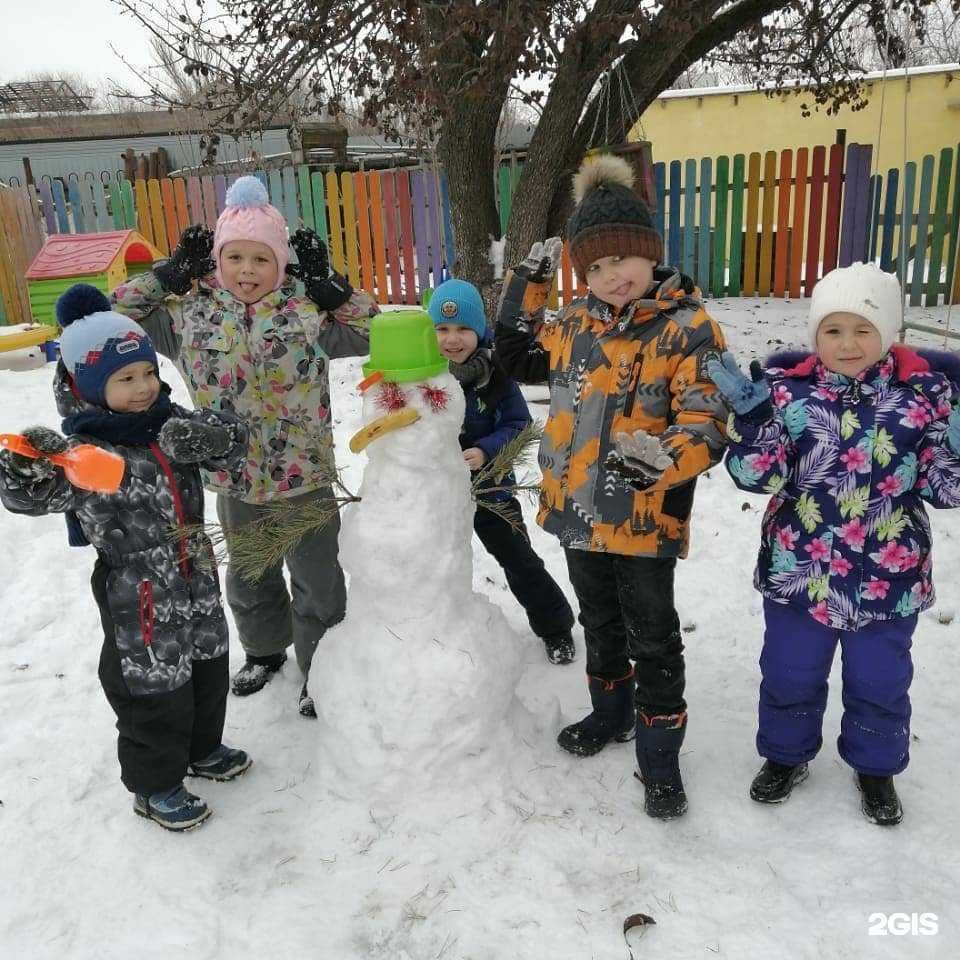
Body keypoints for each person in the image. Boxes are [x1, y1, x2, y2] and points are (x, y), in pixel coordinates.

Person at [495, 154, 728, 819]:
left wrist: (663, 459)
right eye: (593, 266)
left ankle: (660, 758)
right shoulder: (573, 322)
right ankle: (611, 712)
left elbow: (708, 418)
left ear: (649, 252)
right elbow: (515, 354)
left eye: (620, 259)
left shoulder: (688, 328)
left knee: (653, 634)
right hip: (578, 512)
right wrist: (528, 286)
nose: (609, 276)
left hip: (644, 517)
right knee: (598, 620)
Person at [111, 176, 378, 717]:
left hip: (304, 476)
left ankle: (323, 667)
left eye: (261, 258)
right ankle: (264, 650)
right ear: (217, 260)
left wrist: (333, 290)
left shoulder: (307, 312)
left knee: (318, 579)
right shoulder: (188, 315)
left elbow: (377, 331)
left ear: (281, 263)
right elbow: (112, 317)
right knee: (250, 575)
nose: (247, 270)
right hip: (234, 478)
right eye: (234, 257)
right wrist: (166, 277)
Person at [708, 261, 960, 826]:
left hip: (887, 579)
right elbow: (756, 478)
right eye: (833, 330)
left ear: (889, 331)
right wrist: (754, 423)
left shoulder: (924, 398)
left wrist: (956, 447)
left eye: (863, 329)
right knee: (789, 672)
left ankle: (876, 767)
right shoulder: (786, 394)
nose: (847, 344)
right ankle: (785, 755)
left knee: (881, 680)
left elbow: (944, 488)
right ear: (815, 334)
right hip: (801, 571)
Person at [0, 284, 251, 831]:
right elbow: (32, 496)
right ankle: (154, 785)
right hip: (137, 589)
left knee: (207, 665)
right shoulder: (86, 455)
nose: (143, 388)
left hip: (196, 569)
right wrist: (25, 469)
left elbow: (234, 441)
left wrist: (209, 438)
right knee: (150, 686)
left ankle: (202, 748)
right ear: (90, 388)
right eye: (125, 379)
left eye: (148, 373)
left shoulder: (170, 424)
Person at [428, 278, 576, 664]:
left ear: (479, 329)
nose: (452, 339)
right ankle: (428, 632)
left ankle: (555, 625)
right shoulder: (424, 375)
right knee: (430, 560)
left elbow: (519, 425)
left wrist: (486, 450)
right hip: (436, 490)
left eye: (463, 328)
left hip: (491, 488)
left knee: (517, 557)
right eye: (442, 329)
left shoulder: (497, 373)